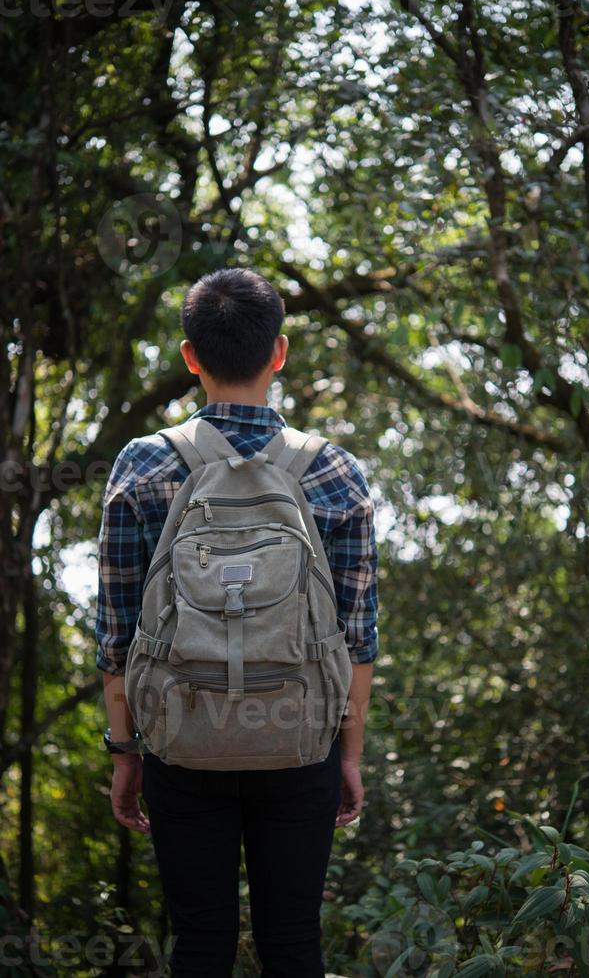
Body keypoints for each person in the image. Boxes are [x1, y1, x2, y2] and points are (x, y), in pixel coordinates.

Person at [95, 267, 379, 977]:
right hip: (300, 739)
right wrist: (347, 754)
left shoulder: (144, 464)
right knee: (293, 944)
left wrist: (125, 751)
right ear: (278, 352)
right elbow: (358, 635)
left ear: (191, 357)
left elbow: (116, 633)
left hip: (179, 739)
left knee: (198, 943)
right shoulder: (333, 472)